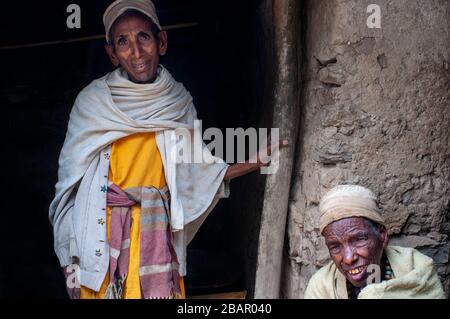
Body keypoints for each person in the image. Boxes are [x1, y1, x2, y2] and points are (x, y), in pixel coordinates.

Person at [49, 0, 287, 299]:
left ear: (161, 41)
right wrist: (68, 258)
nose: (135, 51)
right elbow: (67, 190)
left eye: (143, 37)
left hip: (157, 241)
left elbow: (200, 172)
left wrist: (253, 163)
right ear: (111, 53)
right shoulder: (92, 103)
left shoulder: (178, 100)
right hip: (99, 246)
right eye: (123, 42)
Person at [304, 184, 446, 299]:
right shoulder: (321, 287)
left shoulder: (417, 269)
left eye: (359, 240)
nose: (348, 258)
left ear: (382, 235)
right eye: (335, 247)